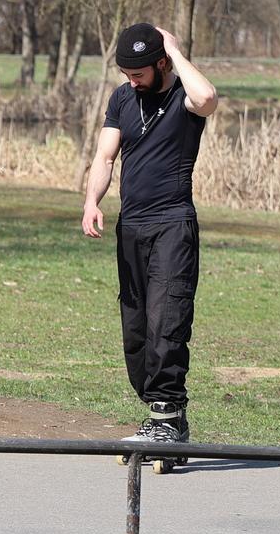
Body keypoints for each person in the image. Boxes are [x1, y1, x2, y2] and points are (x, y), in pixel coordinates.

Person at [82, 23, 219, 449]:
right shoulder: (123, 98)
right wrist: (92, 201)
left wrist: (175, 51)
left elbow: (208, 98)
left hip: (172, 224)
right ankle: (159, 414)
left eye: (138, 73)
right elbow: (105, 156)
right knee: (137, 326)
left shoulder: (184, 97)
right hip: (132, 226)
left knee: (167, 319)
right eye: (125, 73)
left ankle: (169, 415)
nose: (131, 81)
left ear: (161, 63)